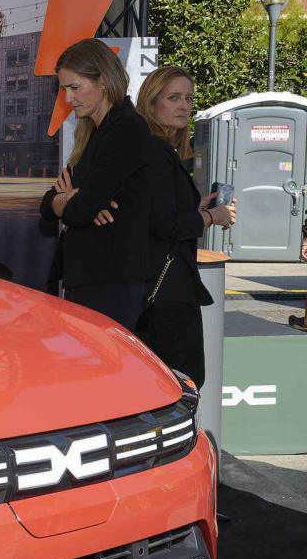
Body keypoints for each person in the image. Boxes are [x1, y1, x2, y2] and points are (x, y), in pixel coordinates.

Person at [132, 66, 236, 386]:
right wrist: (211, 217)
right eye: (173, 98)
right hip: (167, 291)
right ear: (152, 103)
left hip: (153, 286)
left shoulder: (150, 148)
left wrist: (195, 206)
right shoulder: (157, 150)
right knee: (183, 382)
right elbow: (165, 225)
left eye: (188, 99)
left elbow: (154, 213)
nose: (183, 106)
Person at [39, 39, 152, 330]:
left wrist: (76, 202)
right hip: (95, 279)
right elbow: (50, 204)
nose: (67, 98)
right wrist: (69, 200)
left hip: (112, 282)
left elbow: (81, 210)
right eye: (64, 89)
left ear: (102, 81)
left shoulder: (125, 127)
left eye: (74, 88)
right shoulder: (94, 132)